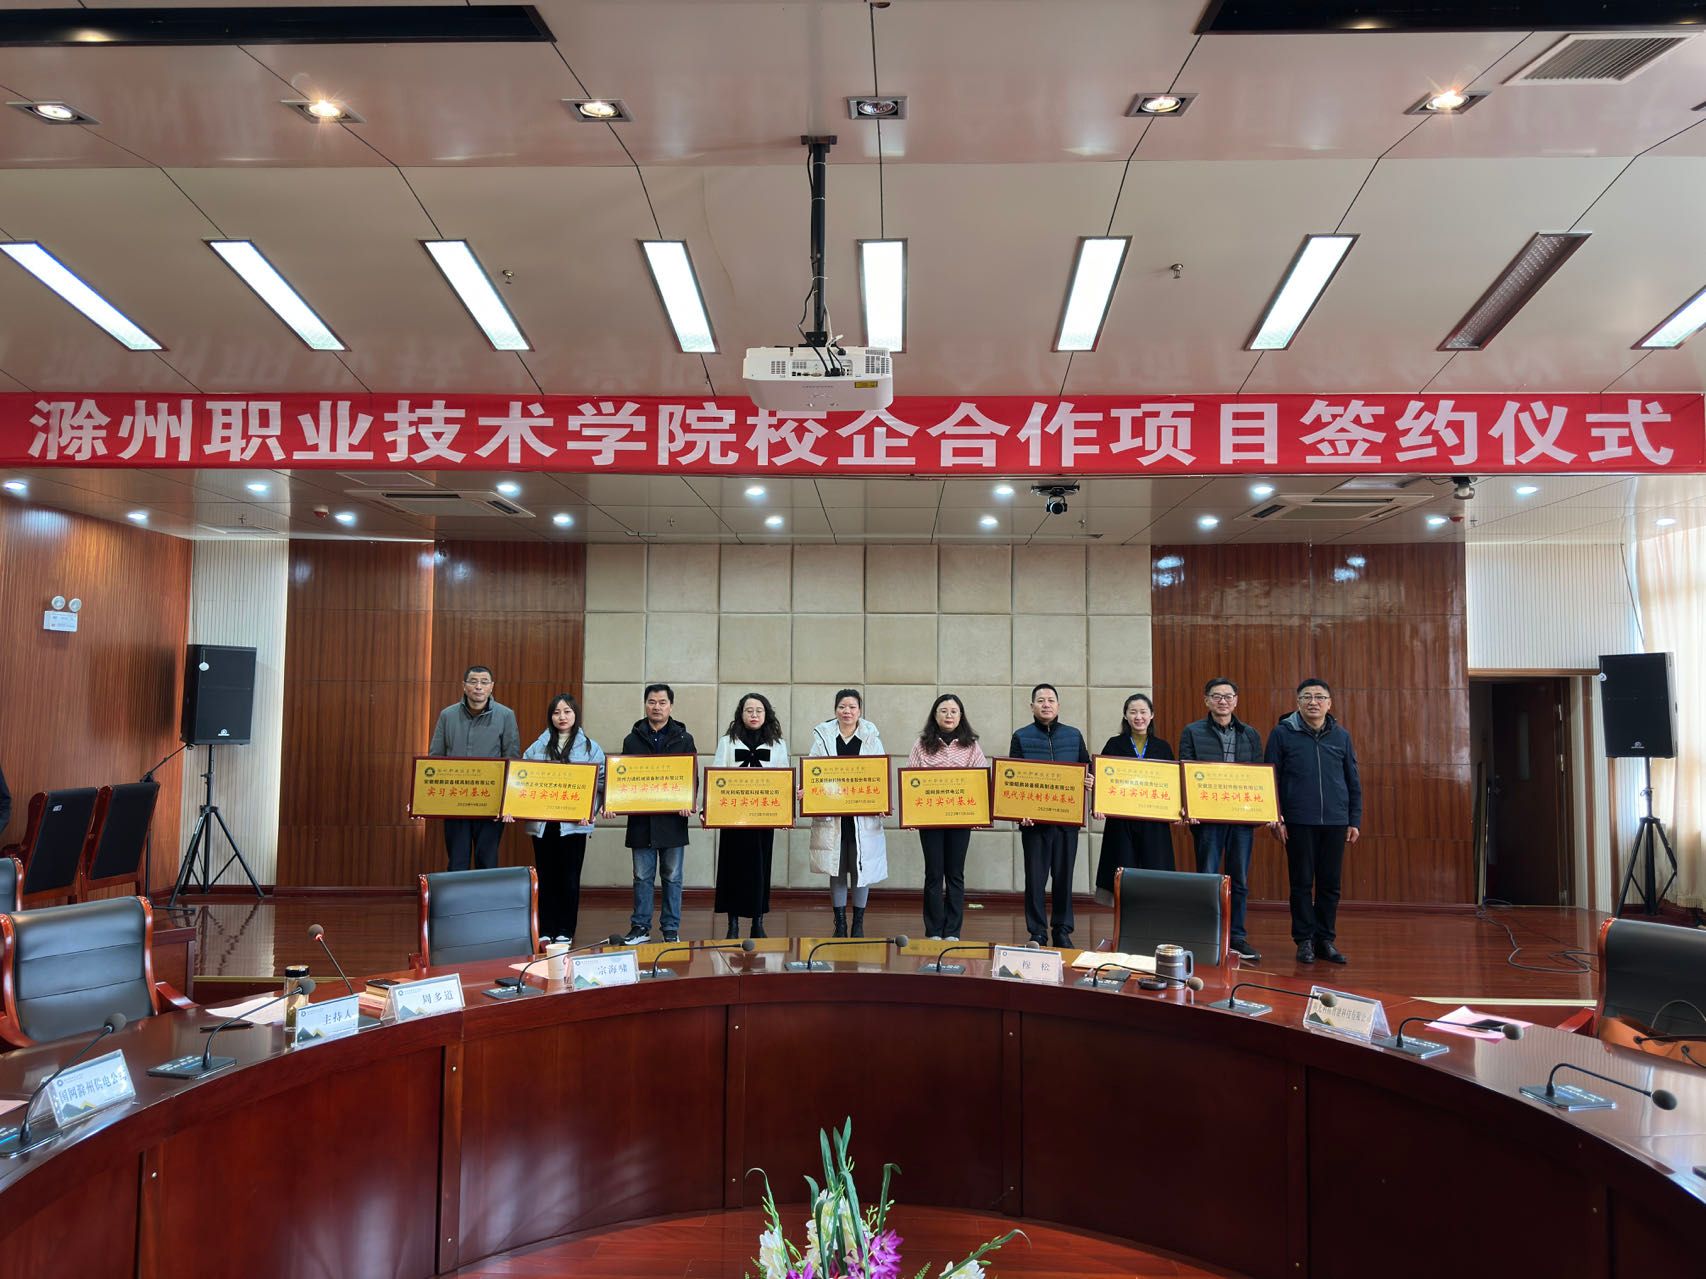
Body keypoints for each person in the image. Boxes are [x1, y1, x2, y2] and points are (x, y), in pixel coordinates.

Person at [1266, 678, 1362, 966]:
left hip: (1335, 820)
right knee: (1301, 883)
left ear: (1329, 703)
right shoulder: (1282, 734)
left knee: (1330, 884)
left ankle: (1325, 940)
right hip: (1298, 820)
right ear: (1297, 703)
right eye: (1306, 697)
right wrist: (1276, 817)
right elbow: (1270, 778)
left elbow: (1352, 779)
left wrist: (1354, 819)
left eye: (1319, 697)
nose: (1313, 702)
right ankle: (1304, 940)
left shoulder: (1341, 736)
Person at [1176, 677, 1263, 963]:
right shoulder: (1192, 731)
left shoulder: (1250, 734)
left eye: (1228, 696)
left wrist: (1265, 812)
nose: (1222, 701)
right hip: (1208, 818)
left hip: (1241, 819)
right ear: (1207, 700)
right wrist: (1188, 808)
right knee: (1208, 876)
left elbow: (1260, 776)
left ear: (1236, 701)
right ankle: (1207, 934)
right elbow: (1184, 770)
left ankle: (1236, 936)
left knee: (1239, 879)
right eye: (1216, 696)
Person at [1008, 683, 1093, 948]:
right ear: (1032, 706)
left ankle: (1062, 930)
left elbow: (1086, 768)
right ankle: (1037, 932)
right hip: (1034, 824)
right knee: (1035, 879)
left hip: (1066, 822)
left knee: (1064, 877)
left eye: (1051, 700)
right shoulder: (1021, 736)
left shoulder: (1073, 735)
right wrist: (1019, 813)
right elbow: (1013, 780)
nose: (1046, 704)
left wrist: (1089, 779)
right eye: (1041, 700)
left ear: (1058, 705)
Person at [521, 694, 605, 945]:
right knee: (546, 877)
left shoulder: (590, 748)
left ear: (575, 714)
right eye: (557, 712)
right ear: (551, 716)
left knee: (569, 878)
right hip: (543, 824)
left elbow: (602, 785)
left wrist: (590, 811)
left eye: (567, 711)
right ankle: (546, 928)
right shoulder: (537, 747)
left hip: (575, 826)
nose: (562, 717)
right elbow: (521, 779)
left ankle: (566, 929)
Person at [619, 683, 697, 946]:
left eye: (662, 702)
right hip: (641, 821)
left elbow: (691, 778)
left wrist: (688, 801)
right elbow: (623, 779)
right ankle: (640, 927)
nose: (657, 707)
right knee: (641, 877)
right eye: (652, 702)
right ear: (645, 705)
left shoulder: (684, 739)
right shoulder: (632, 740)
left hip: (673, 821)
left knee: (672, 877)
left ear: (671, 706)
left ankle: (671, 929)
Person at [907, 693, 988, 941]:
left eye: (954, 711)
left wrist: (980, 815)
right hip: (930, 820)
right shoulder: (921, 745)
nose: (949, 715)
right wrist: (911, 816)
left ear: (961, 716)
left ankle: (952, 931)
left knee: (955, 874)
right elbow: (910, 780)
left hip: (960, 819)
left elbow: (982, 780)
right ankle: (933, 930)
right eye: (943, 711)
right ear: (935, 715)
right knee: (933, 873)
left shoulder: (971, 745)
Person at [808, 690, 887, 938]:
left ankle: (858, 924)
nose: (847, 711)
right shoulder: (823, 737)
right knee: (838, 868)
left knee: (862, 870)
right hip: (833, 815)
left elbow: (880, 775)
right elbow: (812, 772)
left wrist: (883, 801)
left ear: (860, 711)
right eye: (842, 707)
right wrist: (806, 791)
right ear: (835, 710)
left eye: (852, 707)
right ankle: (840, 923)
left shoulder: (871, 738)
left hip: (862, 817)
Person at [711, 692, 789, 940]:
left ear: (766, 714)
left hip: (764, 818)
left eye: (759, 710)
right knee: (732, 869)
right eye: (749, 710)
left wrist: (786, 812)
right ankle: (732, 923)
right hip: (733, 818)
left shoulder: (778, 744)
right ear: (740, 714)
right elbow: (716, 778)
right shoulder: (727, 742)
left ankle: (758, 921)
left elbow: (784, 780)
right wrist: (709, 810)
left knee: (760, 869)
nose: (754, 715)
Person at [428, 665, 521, 871]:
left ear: (491, 686)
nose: (478, 686)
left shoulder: (506, 715)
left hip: (490, 803)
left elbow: (512, 759)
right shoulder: (447, 715)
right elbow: (435, 758)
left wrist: (508, 802)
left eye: (484, 682)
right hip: (455, 802)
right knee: (457, 862)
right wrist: (423, 798)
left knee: (486, 861)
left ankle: (485, 895)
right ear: (464, 685)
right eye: (473, 681)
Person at [1093, 693, 1177, 905]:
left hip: (1154, 821)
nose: (1138, 717)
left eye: (1143, 712)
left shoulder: (1163, 747)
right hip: (1122, 822)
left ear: (1152, 715)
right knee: (1122, 870)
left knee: (1154, 871)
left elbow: (1173, 783)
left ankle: (1152, 916)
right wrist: (1099, 804)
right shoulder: (1114, 744)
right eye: (1133, 712)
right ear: (1125, 715)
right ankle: (1123, 918)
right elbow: (1101, 778)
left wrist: (1177, 811)